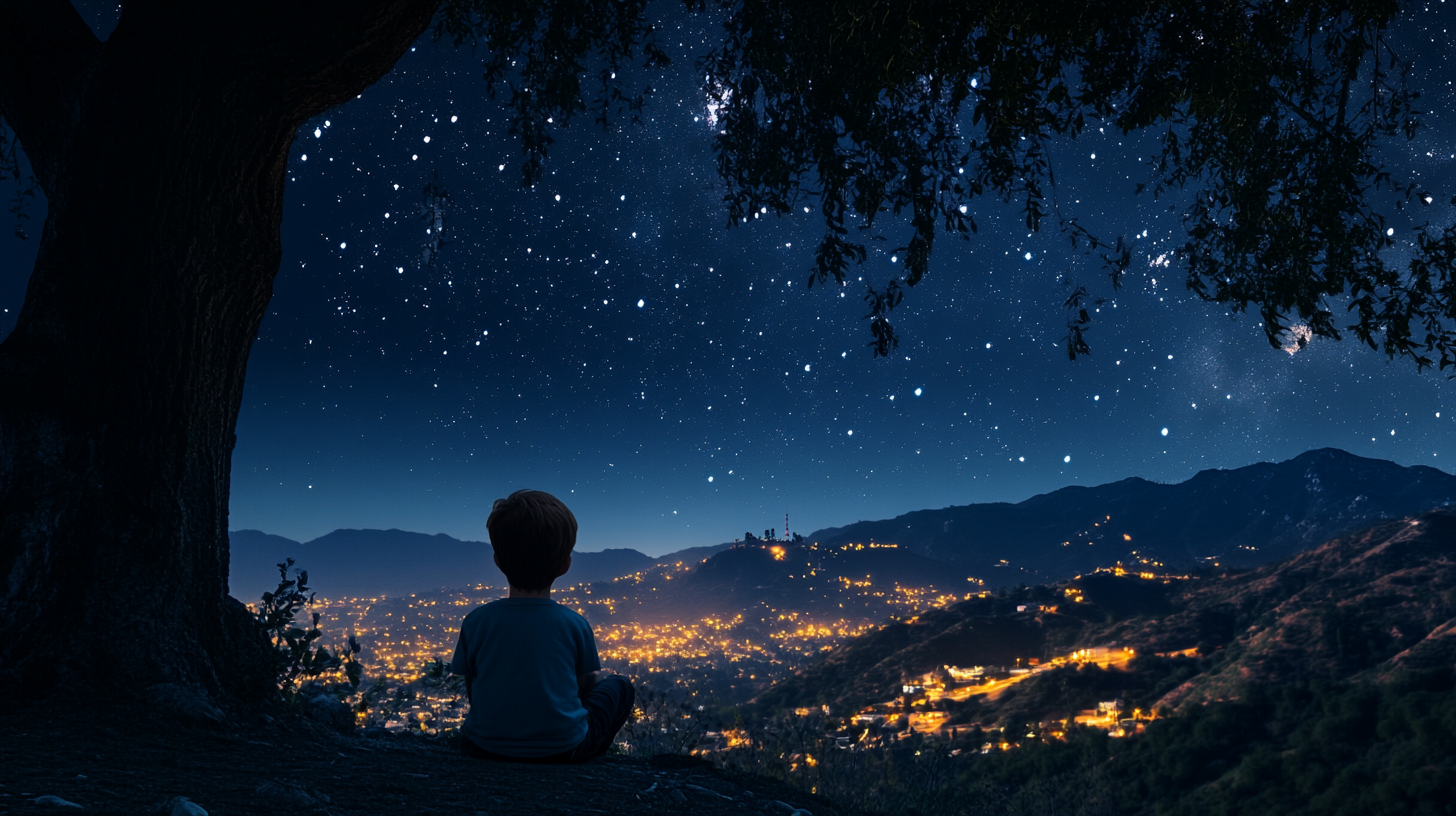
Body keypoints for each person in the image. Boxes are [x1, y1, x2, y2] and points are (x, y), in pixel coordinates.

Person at [450, 489, 635, 762]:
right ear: (565, 565)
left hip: (481, 746)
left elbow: (472, 685)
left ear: (498, 560)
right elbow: (582, 685)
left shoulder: (477, 621)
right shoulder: (574, 624)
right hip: (562, 750)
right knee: (621, 686)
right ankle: (589, 757)